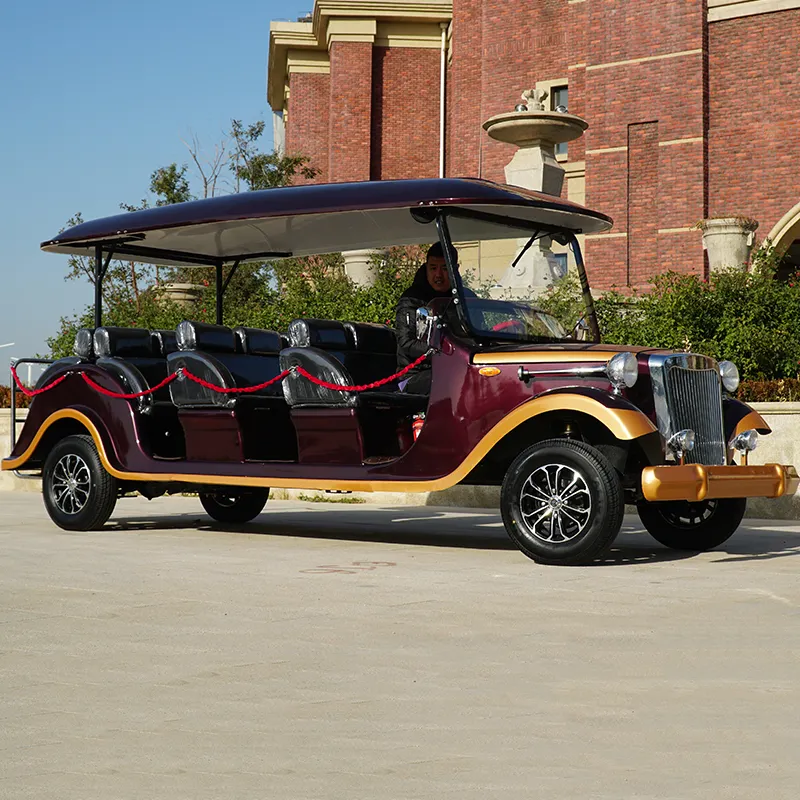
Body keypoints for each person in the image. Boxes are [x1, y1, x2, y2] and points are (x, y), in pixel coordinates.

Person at [395, 242, 453, 395]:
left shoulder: (462, 298)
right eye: (433, 268)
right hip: (413, 376)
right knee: (453, 378)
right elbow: (406, 342)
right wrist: (445, 354)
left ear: (455, 269)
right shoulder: (412, 298)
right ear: (426, 267)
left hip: (453, 367)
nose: (438, 275)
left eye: (445, 268)